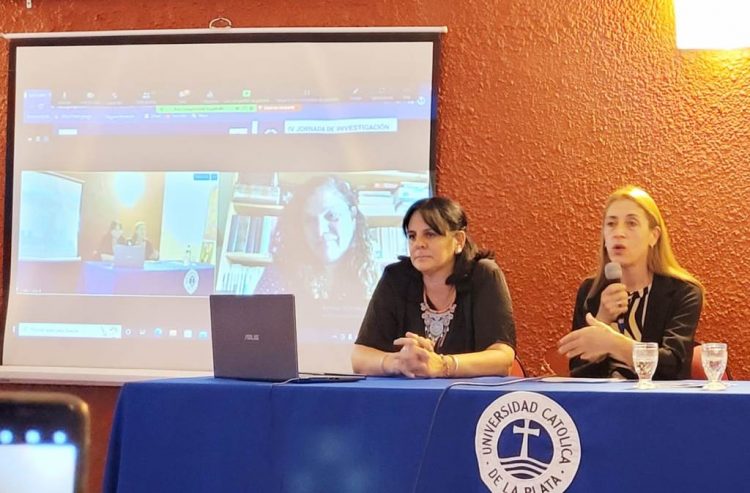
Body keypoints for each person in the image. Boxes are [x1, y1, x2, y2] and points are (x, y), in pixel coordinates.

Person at [351, 196, 516, 378]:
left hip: (469, 393)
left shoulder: (484, 275)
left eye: (430, 234)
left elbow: (503, 359)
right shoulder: (396, 278)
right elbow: (359, 357)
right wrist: (398, 362)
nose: (419, 244)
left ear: (459, 240)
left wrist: (442, 365)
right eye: (412, 236)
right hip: (409, 392)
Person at [558, 185, 703, 380]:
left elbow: (673, 366)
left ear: (653, 236)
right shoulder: (590, 292)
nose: (618, 233)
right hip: (603, 398)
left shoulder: (683, 292)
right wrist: (601, 319)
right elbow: (578, 373)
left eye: (631, 223)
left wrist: (613, 343)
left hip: (654, 398)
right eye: (611, 224)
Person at [255, 176, 379, 301]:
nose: (320, 231)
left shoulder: (382, 278)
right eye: (309, 221)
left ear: (352, 216)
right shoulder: (278, 276)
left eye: (332, 215)